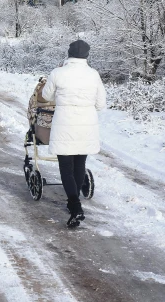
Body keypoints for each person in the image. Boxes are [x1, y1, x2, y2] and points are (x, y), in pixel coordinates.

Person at [42, 39, 106, 228]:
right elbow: (101, 104)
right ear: (87, 55)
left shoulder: (58, 72)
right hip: (86, 124)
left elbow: (46, 96)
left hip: (65, 122)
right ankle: (73, 204)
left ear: (68, 53)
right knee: (79, 165)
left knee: (65, 167)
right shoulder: (93, 75)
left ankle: (75, 206)